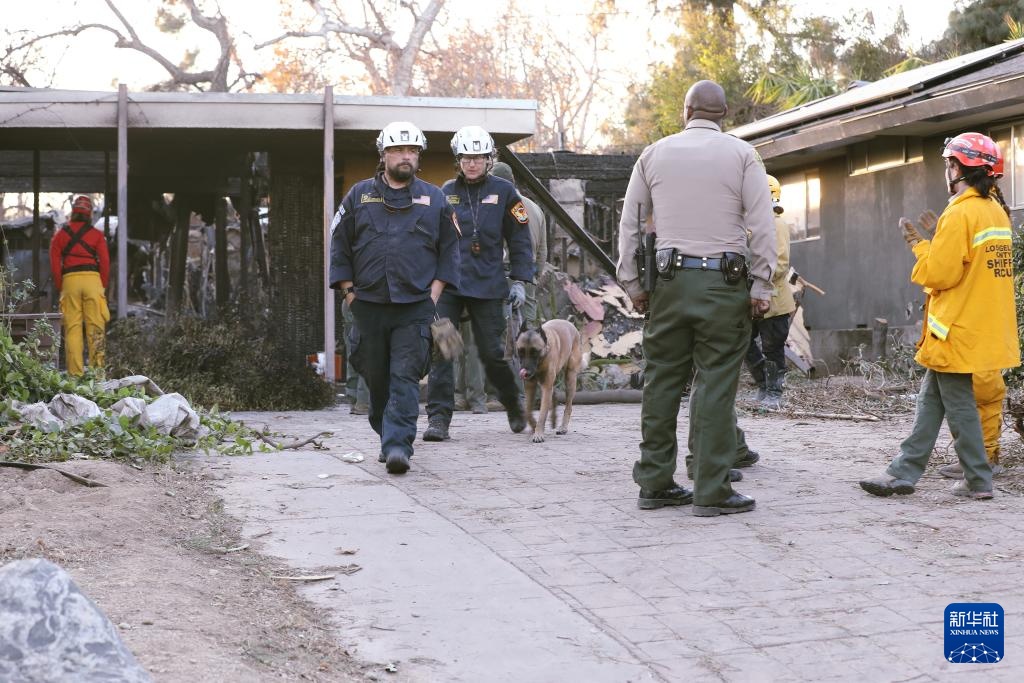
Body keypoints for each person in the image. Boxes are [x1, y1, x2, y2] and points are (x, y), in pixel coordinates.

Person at [616, 80, 776, 517]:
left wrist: (632, 283)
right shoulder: (744, 155)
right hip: (724, 285)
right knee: (715, 384)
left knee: (662, 380)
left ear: (685, 111)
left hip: (667, 284)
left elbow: (629, 222)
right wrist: (762, 285)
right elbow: (762, 225)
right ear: (724, 115)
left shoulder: (653, 154)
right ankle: (711, 488)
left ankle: (654, 483)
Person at [860, 132, 1019, 501]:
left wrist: (920, 246)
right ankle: (903, 471)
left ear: (959, 168)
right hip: (980, 325)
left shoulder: (961, 211)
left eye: (949, 163)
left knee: (958, 402)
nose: (946, 170)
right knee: (930, 400)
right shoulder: (996, 211)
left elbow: (940, 274)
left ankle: (977, 480)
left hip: (955, 328)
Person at [329, 121, 461, 475]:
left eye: (413, 151)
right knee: (377, 378)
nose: (407, 157)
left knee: (404, 375)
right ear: (383, 154)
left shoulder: (435, 199)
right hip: (368, 305)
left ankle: (399, 446)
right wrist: (349, 292)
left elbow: (450, 251)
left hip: (414, 307)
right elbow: (339, 246)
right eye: (399, 150)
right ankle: (387, 432)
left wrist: (433, 295)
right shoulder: (358, 196)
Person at [423, 125, 533, 441]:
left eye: (479, 157)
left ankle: (513, 405)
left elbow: (521, 240)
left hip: (488, 284)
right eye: (466, 158)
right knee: (444, 350)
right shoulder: (444, 192)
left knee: (491, 351)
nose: (472, 163)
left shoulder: (506, 192)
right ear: (458, 160)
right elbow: (432, 239)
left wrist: (520, 281)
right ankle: (439, 420)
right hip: (450, 284)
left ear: (489, 159)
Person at [745, 174, 796, 409]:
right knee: (743, 341)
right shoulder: (749, 224)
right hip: (749, 297)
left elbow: (780, 262)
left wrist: (759, 278)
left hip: (774, 299)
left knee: (772, 346)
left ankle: (774, 392)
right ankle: (763, 385)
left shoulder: (776, 224)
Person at [49, 195, 110, 376]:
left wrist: (61, 285)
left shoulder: (60, 235)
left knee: (73, 328)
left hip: (70, 281)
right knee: (96, 327)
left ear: (73, 212)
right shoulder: (97, 235)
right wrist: (102, 286)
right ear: (90, 214)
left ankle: (75, 376)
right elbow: (105, 262)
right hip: (93, 280)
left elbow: (54, 263)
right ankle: (97, 375)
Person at [491, 161, 548, 327]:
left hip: (505, 273)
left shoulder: (499, 205)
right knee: (528, 329)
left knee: (502, 330)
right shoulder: (535, 208)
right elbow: (543, 250)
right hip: (529, 274)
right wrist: (534, 276)